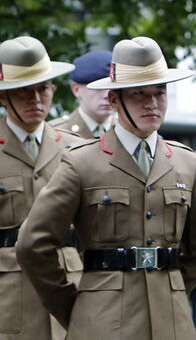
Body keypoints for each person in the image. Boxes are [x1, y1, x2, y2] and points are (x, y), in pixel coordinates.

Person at [17, 36, 196, 339]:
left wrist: (175, 287)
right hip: (102, 319)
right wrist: (74, 307)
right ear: (114, 100)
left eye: (159, 92)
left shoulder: (186, 162)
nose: (152, 103)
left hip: (172, 322)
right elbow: (33, 245)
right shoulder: (82, 162)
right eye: (139, 93)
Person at [0, 36, 83, 340]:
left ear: (54, 89)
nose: (36, 100)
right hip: (3, 297)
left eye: (43, 89)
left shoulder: (77, 151)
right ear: (3, 96)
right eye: (23, 92)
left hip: (72, 288)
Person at [49, 50, 114, 139]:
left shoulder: (130, 130)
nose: (107, 95)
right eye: (98, 88)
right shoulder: (54, 133)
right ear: (76, 90)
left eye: (113, 88)